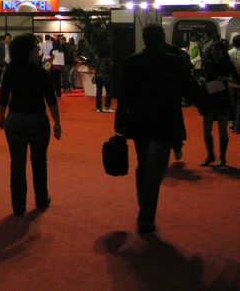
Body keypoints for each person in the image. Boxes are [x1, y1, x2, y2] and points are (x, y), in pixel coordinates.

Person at [115, 24, 203, 234]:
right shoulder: (173, 62)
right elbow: (189, 87)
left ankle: (144, 209)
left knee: (144, 166)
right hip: (165, 122)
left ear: (144, 39)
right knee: (155, 171)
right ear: (162, 38)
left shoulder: (131, 62)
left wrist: (119, 122)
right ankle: (145, 217)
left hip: (138, 122)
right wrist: (204, 105)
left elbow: (124, 94)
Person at [0, 33, 61, 216]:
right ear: (27, 52)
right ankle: (41, 200)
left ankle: (18, 206)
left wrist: (2, 117)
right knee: (39, 162)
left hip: (15, 120)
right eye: (35, 47)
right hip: (37, 121)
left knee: (17, 164)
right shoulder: (40, 73)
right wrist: (57, 123)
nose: (38, 50)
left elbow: (3, 97)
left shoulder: (10, 71)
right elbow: (51, 100)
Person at [199, 42, 238, 167]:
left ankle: (222, 156)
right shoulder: (208, 63)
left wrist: (227, 79)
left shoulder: (228, 64)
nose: (214, 53)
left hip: (222, 100)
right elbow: (203, 77)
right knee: (206, 130)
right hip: (209, 99)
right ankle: (210, 155)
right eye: (213, 51)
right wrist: (202, 80)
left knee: (223, 131)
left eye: (217, 51)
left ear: (222, 52)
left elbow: (238, 78)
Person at [94, 42, 113, 113]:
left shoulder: (97, 57)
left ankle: (98, 107)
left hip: (97, 75)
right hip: (105, 76)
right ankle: (107, 106)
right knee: (109, 90)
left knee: (99, 91)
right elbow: (110, 67)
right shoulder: (108, 57)